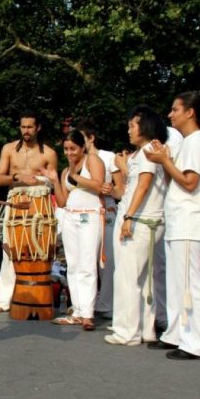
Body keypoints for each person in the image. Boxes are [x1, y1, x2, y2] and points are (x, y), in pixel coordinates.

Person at [145, 91, 200, 360]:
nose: (170, 114)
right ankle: (176, 333)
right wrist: (164, 161)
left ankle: (197, 342)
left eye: (175, 109)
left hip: (191, 218)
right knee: (177, 282)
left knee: (190, 282)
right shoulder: (187, 142)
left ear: (190, 112)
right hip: (178, 219)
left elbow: (189, 182)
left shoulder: (197, 141)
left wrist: (165, 161)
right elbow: (178, 178)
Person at [104, 106, 168, 345]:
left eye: (132, 125)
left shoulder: (148, 151)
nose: (129, 130)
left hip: (140, 220)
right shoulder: (146, 151)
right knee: (142, 278)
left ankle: (127, 331)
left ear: (145, 127)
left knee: (128, 276)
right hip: (144, 219)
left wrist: (129, 216)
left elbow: (144, 183)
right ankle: (144, 328)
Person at [0, 110, 58, 314]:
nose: (26, 131)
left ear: (38, 127)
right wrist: (18, 176)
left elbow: (54, 182)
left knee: (38, 252)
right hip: (15, 202)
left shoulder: (49, 153)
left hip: (40, 207)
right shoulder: (9, 149)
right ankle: (4, 300)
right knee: (10, 250)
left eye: (30, 127)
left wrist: (40, 180)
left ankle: (36, 296)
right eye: (23, 127)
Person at [50, 129, 105, 331]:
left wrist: (75, 175)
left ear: (82, 147)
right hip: (70, 215)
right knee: (72, 265)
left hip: (89, 214)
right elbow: (63, 201)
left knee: (87, 264)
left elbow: (98, 185)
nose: (69, 153)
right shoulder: (66, 171)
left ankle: (88, 313)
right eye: (65, 149)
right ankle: (78, 309)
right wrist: (57, 180)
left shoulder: (93, 160)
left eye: (73, 148)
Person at [77, 119, 122, 318]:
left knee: (107, 262)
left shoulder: (108, 157)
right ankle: (86, 303)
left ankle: (107, 305)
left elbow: (121, 189)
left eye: (81, 139)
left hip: (106, 211)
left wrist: (111, 188)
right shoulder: (78, 160)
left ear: (91, 138)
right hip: (84, 213)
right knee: (86, 262)